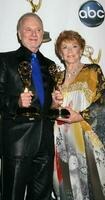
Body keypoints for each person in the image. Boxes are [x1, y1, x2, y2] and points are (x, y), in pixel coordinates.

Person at [51, 30, 105, 200]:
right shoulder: (57, 77)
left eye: (74, 46)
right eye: (65, 47)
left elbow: (102, 102)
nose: (70, 51)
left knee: (95, 182)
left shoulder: (93, 71)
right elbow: (52, 110)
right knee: (70, 182)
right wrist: (54, 103)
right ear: (60, 53)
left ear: (81, 50)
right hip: (65, 140)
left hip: (88, 136)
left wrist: (79, 116)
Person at [0, 12, 56, 200]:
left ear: (43, 34)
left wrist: (55, 104)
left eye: (38, 30)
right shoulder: (4, 60)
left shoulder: (50, 65)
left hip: (46, 146)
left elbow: (49, 106)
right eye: (28, 29)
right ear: (19, 33)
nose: (34, 34)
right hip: (17, 143)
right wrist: (16, 101)